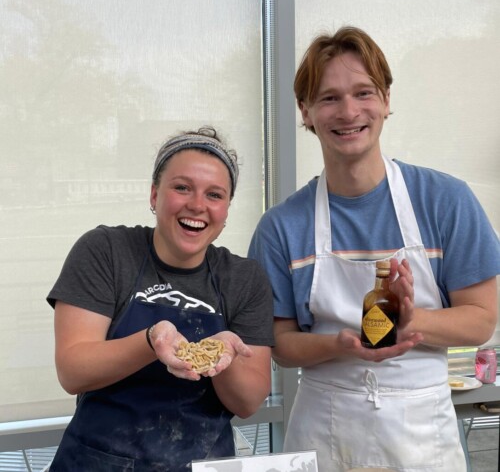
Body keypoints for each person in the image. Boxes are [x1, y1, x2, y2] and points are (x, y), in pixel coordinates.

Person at [248, 26, 500, 471]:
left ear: (385, 100)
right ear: (305, 111)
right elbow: (282, 345)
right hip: (326, 428)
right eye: (328, 98)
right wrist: (343, 345)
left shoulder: (445, 201)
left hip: (422, 435)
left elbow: (481, 320)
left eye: (363, 92)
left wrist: (411, 322)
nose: (349, 112)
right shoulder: (281, 227)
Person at [47, 126, 274, 471]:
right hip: (96, 462)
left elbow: (248, 401)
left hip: (202, 463)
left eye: (215, 195)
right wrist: (151, 341)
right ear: (154, 195)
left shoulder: (243, 279)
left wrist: (218, 359)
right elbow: (72, 370)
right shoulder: (106, 251)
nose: (197, 205)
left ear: (227, 209)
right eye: (182, 188)